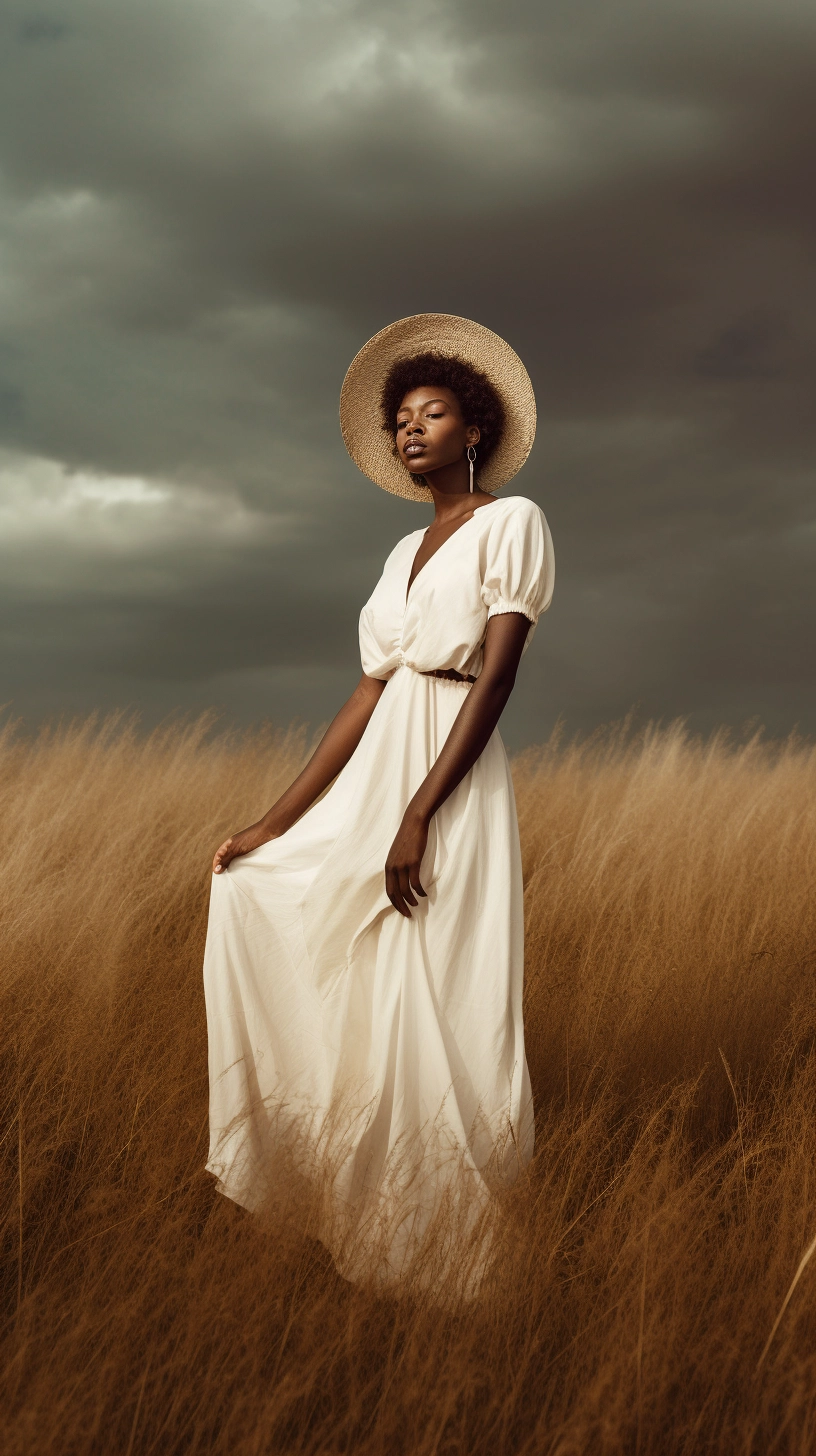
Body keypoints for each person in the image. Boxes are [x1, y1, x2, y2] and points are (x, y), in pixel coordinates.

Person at [203, 313, 555, 1287]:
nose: (411, 429)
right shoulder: (400, 553)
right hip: (379, 768)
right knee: (262, 898)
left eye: (431, 412)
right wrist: (271, 822)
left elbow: (493, 680)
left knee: (434, 986)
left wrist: (418, 815)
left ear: (472, 430)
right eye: (400, 417)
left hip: (449, 773)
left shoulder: (512, 523)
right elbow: (366, 694)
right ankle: (355, 1205)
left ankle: (452, 1250)